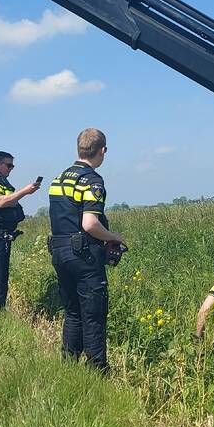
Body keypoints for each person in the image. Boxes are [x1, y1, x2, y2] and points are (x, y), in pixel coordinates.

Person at [46, 128, 124, 374]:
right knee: (93, 314)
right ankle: (97, 373)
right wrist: (114, 237)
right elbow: (89, 224)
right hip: (84, 256)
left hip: (59, 252)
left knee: (73, 312)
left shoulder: (59, 178)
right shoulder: (91, 180)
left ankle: (69, 368)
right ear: (102, 150)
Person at [0, 151, 40, 313]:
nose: (11, 168)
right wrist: (24, 192)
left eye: (12, 165)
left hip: (2, 238)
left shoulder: (3, 182)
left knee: (1, 278)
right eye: (8, 165)